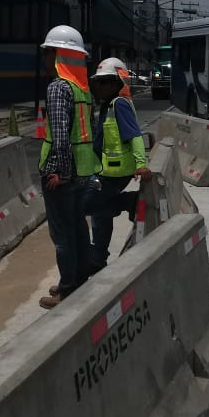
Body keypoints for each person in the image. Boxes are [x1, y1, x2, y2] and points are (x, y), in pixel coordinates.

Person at [37, 25, 99, 310]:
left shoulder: (58, 87)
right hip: (83, 172)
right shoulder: (82, 89)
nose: (45, 58)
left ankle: (68, 288)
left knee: (62, 234)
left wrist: (58, 172)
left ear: (59, 55)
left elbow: (61, 135)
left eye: (48, 52)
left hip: (63, 175)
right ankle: (78, 277)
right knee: (77, 228)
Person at [88, 57, 152, 274]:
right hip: (106, 170)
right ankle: (97, 261)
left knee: (89, 206)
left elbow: (134, 135)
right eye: (99, 82)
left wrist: (141, 164)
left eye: (106, 81)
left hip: (117, 172)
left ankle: (128, 201)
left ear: (118, 83)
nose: (101, 86)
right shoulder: (107, 106)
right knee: (100, 215)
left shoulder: (119, 104)